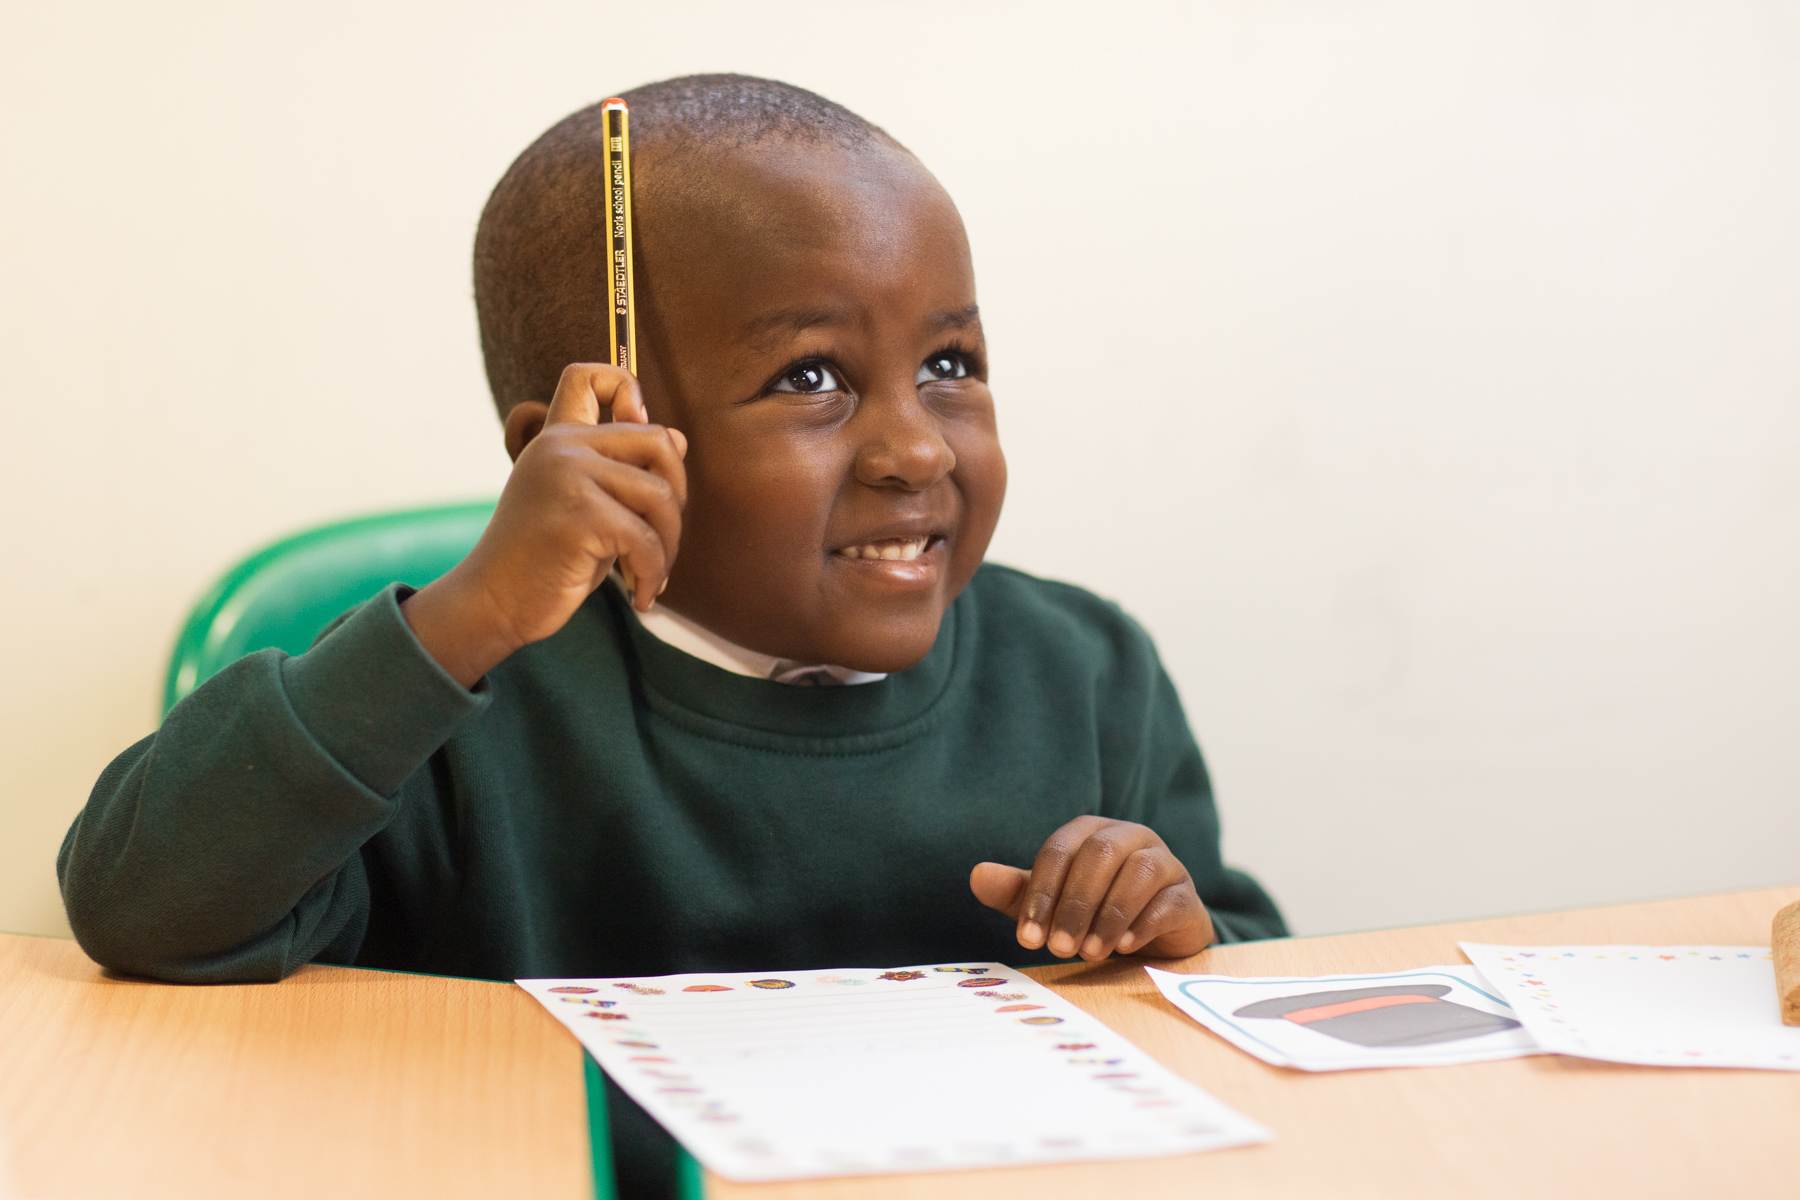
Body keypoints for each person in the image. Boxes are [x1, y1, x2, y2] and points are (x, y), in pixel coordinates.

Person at [58, 74, 1284, 1196]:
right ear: (584, 443)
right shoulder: (441, 699)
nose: (916, 447)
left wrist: (1174, 943)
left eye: (950, 360)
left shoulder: (1089, 672)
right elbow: (141, 908)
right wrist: (469, 614)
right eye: (813, 378)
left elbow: (1243, 1006)